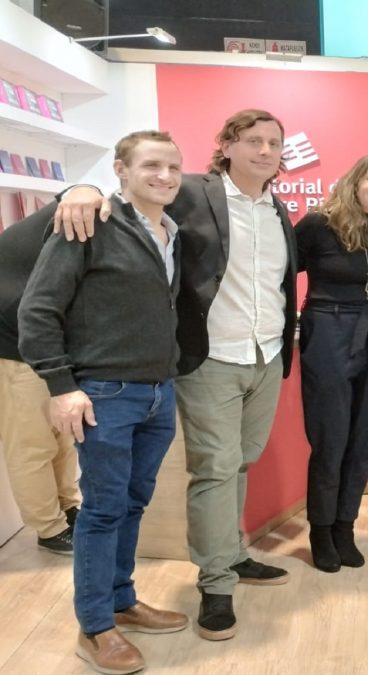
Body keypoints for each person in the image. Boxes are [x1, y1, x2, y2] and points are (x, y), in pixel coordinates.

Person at [56, 109, 298, 641]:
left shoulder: (278, 210)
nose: (265, 150)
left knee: (239, 463)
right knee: (215, 467)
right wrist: (78, 188)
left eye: (274, 142)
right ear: (227, 146)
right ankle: (215, 583)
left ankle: (231, 555)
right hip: (209, 358)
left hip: (267, 356)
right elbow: (131, 194)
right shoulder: (192, 191)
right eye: (252, 140)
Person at [19, 130, 188, 675]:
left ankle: (121, 599)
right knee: (101, 510)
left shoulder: (170, 231)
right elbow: (39, 310)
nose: (164, 177)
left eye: (173, 168)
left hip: (158, 394)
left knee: (133, 503)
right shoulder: (89, 222)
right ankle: (94, 627)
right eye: (152, 166)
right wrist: (61, 386)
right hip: (104, 395)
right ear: (121, 169)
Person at [294, 154, 368, 571]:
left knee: (360, 441)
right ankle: (320, 529)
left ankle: (344, 525)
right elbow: (279, 272)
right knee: (331, 437)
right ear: (355, 181)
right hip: (329, 328)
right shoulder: (320, 224)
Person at [0, 204, 81, 555]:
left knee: (62, 439)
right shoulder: (62, 223)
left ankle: (67, 508)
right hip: (15, 353)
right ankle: (49, 528)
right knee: (33, 447)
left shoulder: (62, 233)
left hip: (46, 351)